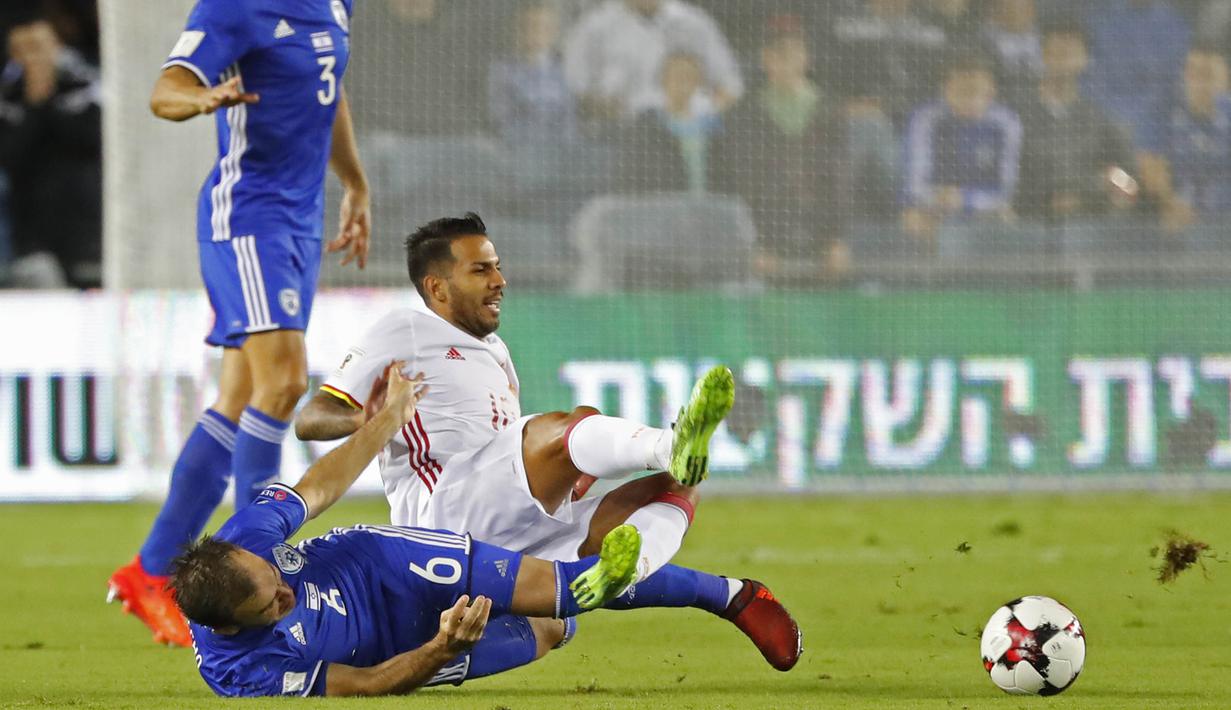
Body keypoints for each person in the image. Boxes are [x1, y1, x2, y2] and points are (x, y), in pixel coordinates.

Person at [292, 213, 791, 652]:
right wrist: (381, 419)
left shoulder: (497, 352)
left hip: (511, 523)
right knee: (564, 427)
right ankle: (669, 444)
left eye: (498, 266)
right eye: (481, 269)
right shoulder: (404, 329)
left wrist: (570, 478)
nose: (499, 280)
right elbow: (311, 419)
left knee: (676, 486)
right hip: (441, 516)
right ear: (437, 288)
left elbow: (513, 447)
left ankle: (648, 578)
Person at [177, 365, 803, 697]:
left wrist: (388, 417)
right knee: (556, 626)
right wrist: (440, 649)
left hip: (384, 563)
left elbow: (321, 486)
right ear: (229, 626)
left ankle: (726, 592)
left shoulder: (245, 538)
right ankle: (678, 466)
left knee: (565, 588)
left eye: (274, 578)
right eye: (272, 603)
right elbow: (365, 684)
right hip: (401, 649)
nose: (286, 590)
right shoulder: (244, 674)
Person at [107, 0, 372, 648]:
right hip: (249, 215)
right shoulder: (233, 7)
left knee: (240, 397)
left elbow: (326, 90)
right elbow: (165, 90)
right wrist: (201, 100)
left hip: (299, 220)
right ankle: (258, 561)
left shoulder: (336, 4)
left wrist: (354, 183)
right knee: (281, 385)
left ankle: (150, 571)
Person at [712, 15, 850, 279]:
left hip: (820, 241)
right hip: (767, 244)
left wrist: (836, 239)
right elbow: (741, 180)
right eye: (777, 54)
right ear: (766, 59)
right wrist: (757, 242)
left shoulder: (829, 111)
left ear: (806, 57)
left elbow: (838, 178)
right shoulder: (745, 114)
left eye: (793, 52)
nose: (786, 62)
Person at [0, 13, 101, 288]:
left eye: (39, 48)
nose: (33, 58)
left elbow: (93, 141)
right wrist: (35, 103)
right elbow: (9, 156)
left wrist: (47, 102)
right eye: (24, 50)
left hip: (85, 227)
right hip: (31, 233)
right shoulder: (8, 98)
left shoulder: (83, 87)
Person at [1015, 17, 1138, 223]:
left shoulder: (1101, 122)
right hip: (1029, 229)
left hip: (1088, 229)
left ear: (1085, 59)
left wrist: (1088, 195)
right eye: (1057, 53)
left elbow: (1128, 184)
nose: (1063, 61)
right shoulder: (1017, 117)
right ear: (1043, 56)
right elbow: (1010, 181)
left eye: (1071, 53)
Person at [901, 53, 1023, 250]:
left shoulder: (1006, 123)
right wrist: (934, 199)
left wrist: (965, 199)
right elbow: (913, 182)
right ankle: (930, 276)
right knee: (912, 216)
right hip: (934, 205)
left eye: (975, 91)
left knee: (1006, 215)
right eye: (960, 91)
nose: (969, 99)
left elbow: (1006, 189)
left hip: (981, 205)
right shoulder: (925, 119)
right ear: (945, 90)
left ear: (991, 92)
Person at [563, 0, 743, 123]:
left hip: (683, 133)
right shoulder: (593, 26)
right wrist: (598, 107)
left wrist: (699, 116)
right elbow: (572, 87)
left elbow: (731, 86)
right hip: (616, 135)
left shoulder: (695, 23)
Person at [1137, 44, 1231, 243]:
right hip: (1174, 215)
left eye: (1208, 74)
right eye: (1192, 72)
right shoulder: (1161, 112)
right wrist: (1171, 202)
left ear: (1226, 80)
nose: (1199, 82)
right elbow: (1150, 168)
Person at [616, 51, 721, 193]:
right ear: (663, 81)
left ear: (700, 82)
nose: (684, 82)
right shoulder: (644, 129)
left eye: (690, 76)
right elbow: (631, 181)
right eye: (677, 76)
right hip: (662, 210)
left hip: (710, 211)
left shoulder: (716, 130)